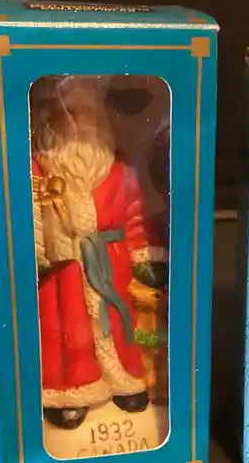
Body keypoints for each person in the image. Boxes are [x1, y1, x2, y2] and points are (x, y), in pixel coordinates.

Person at [31, 77, 167, 430]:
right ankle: (70, 393)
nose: (80, 123)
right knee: (66, 329)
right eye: (71, 113)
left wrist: (144, 255)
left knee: (118, 323)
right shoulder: (37, 170)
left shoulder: (117, 169)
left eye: (88, 113)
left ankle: (123, 380)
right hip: (62, 269)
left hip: (110, 261)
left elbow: (134, 214)